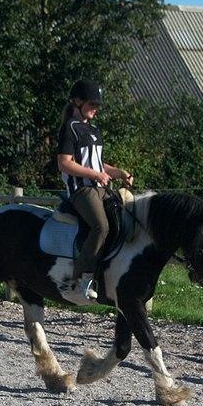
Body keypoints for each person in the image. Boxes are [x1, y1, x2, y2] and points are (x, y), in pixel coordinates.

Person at [57, 78, 133, 300]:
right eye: (92, 104)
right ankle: (81, 278)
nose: (96, 109)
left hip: (99, 187)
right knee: (100, 226)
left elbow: (98, 163)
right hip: (81, 190)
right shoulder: (69, 128)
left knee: (122, 220)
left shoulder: (94, 130)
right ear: (77, 102)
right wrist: (95, 175)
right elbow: (64, 163)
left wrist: (118, 172)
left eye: (97, 106)